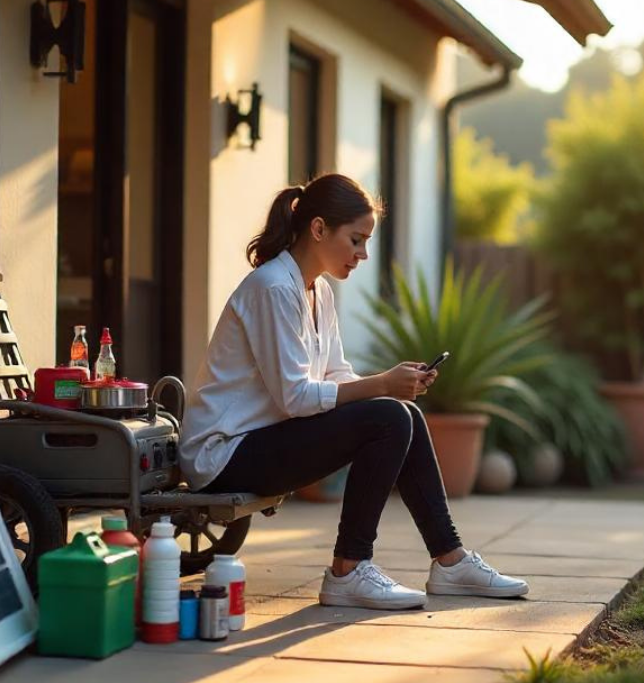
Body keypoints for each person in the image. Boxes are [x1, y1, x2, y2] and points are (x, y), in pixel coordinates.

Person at [179, 173, 528, 610]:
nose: (363, 254)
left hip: (264, 439)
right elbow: (295, 397)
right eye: (356, 240)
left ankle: (450, 560)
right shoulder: (272, 288)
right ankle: (348, 569)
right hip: (224, 454)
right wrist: (382, 386)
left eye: (366, 243)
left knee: (402, 413)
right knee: (389, 416)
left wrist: (391, 385)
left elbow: (336, 374)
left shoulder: (318, 292)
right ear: (319, 228)